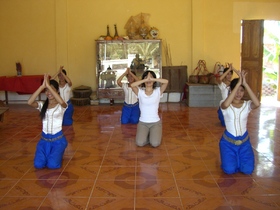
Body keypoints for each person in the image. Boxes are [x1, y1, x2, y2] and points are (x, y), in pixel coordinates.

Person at [219, 70, 260, 174]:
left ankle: (238, 160)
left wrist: (245, 84)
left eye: (241, 90)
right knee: (229, 170)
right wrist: (237, 84)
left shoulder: (247, 105)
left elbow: (257, 103)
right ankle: (232, 160)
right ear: (231, 90)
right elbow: (225, 104)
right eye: (236, 90)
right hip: (228, 143)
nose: (238, 93)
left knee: (248, 170)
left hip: (244, 142)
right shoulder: (225, 105)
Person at [27, 74, 68, 169]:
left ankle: (58, 152)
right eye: (46, 90)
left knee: (53, 165)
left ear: (57, 91)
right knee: (38, 165)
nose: (49, 92)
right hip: (44, 141)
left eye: (52, 90)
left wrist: (48, 85)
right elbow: (29, 102)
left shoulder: (62, 106)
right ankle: (51, 154)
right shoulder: (42, 105)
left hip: (58, 140)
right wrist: (42, 86)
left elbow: (62, 103)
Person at [131, 70, 168, 147]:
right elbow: (132, 85)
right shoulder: (140, 92)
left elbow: (166, 82)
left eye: (151, 77)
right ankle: (148, 135)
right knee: (139, 143)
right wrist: (145, 80)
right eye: (146, 78)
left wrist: (153, 79)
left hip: (155, 123)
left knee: (155, 144)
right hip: (143, 123)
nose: (149, 80)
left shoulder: (158, 91)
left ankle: (152, 135)